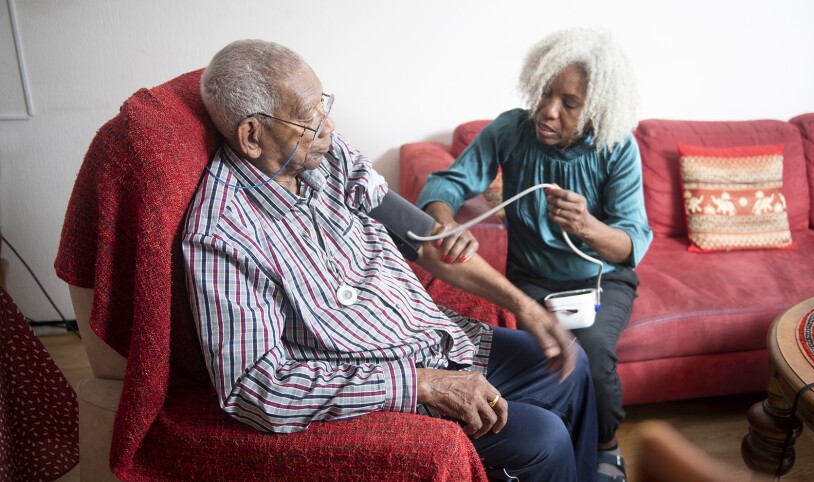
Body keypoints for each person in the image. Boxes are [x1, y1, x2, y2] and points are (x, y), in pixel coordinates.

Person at [183, 39, 599, 481]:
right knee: (544, 439)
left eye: (323, 104)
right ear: (251, 134)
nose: (328, 125)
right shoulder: (221, 237)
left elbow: (422, 237)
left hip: (434, 341)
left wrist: (526, 307)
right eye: (308, 117)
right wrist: (423, 382)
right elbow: (255, 388)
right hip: (382, 387)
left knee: (571, 369)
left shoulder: (327, 158)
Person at [417, 27, 653, 482]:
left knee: (594, 347)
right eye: (545, 93)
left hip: (600, 279)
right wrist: (443, 219)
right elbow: (446, 183)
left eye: (569, 103)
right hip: (532, 278)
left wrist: (588, 227)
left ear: (596, 109)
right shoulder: (510, 129)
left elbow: (631, 243)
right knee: (541, 349)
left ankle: (606, 449)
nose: (548, 111)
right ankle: (552, 447)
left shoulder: (618, 148)